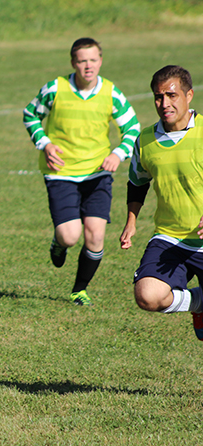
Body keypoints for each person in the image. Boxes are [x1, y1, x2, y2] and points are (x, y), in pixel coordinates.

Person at [22, 37, 140, 305]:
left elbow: (132, 128)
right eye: (82, 60)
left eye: (93, 60)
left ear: (101, 61)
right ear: (73, 63)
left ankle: (79, 290)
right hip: (61, 172)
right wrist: (45, 143)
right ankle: (58, 243)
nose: (88, 66)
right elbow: (30, 114)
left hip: (98, 173)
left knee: (96, 234)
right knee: (70, 235)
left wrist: (117, 154)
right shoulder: (55, 89)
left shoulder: (111, 93)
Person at [120, 65, 203, 339]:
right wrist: (131, 221)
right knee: (148, 295)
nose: (164, 103)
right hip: (170, 238)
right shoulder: (145, 140)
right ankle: (198, 303)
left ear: (189, 95)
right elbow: (138, 181)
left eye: (172, 95)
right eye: (158, 97)